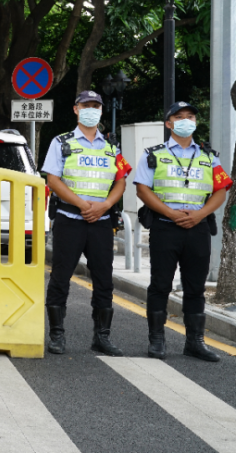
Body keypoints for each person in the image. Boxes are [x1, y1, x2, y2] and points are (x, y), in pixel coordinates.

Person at [135, 101, 232, 361]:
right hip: (165, 227)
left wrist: (199, 214)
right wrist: (170, 213)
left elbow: (220, 190)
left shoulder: (209, 156)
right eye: (179, 117)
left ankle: (195, 342)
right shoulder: (152, 154)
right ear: (169, 123)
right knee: (160, 285)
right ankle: (157, 340)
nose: (186, 120)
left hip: (198, 228)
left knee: (195, 287)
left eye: (190, 116)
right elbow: (142, 189)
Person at [41, 90, 131, 356]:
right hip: (70, 219)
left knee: (104, 280)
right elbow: (53, 179)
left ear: (101, 111)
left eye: (95, 106)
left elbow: (121, 181)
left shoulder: (112, 147)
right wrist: (82, 205)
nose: (91, 109)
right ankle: (57, 335)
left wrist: (104, 205)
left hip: (102, 221)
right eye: (86, 105)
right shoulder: (62, 142)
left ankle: (101, 337)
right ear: (76, 109)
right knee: (60, 278)